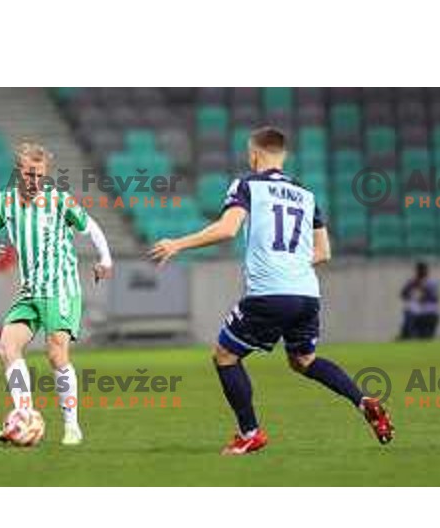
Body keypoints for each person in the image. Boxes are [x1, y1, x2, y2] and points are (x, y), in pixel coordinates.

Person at [150, 126, 394, 455]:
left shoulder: (247, 185)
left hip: (269, 292)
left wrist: (177, 243)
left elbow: (227, 229)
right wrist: (291, 262)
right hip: (307, 293)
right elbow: (324, 253)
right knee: (304, 359)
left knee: (225, 355)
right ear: (284, 155)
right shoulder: (307, 195)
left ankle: (250, 433)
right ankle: (362, 400)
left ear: (254, 154)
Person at [0, 141, 113, 446]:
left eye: (40, 176)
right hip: (30, 291)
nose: (35, 182)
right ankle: (24, 416)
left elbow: (92, 227)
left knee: (56, 353)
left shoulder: (59, 200)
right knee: (7, 349)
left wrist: (105, 259)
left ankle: (72, 427)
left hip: (61, 288)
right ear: (18, 172)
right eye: (29, 175)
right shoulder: (1, 203)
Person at [399, 261, 440, 340]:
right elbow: (403, 294)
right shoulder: (411, 282)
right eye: (419, 270)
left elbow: (435, 298)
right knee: (413, 336)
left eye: (423, 270)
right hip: (416, 314)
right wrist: (411, 286)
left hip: (429, 313)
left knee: (426, 337)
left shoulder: (431, 282)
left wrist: (424, 289)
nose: (421, 272)